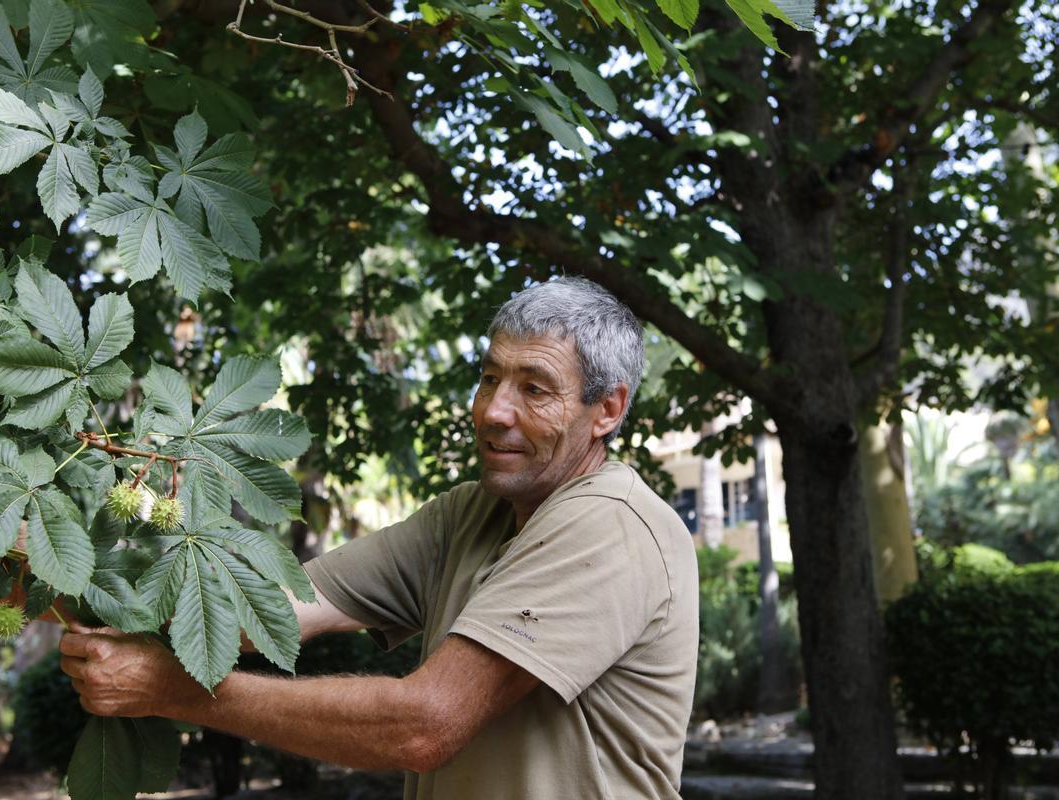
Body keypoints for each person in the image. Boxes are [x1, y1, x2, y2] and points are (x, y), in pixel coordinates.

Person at [58, 277, 699, 798]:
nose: (493, 410)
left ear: (606, 411)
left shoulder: (609, 524)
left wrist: (174, 689)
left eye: (534, 389)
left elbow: (423, 724)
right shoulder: (470, 514)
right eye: (488, 378)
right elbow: (268, 610)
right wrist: (52, 563)